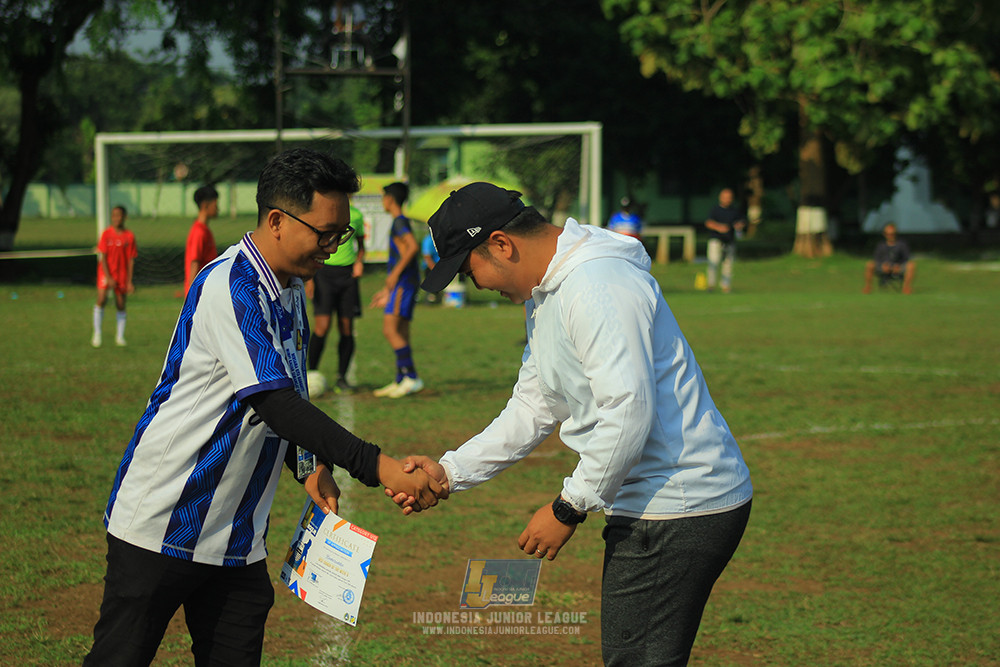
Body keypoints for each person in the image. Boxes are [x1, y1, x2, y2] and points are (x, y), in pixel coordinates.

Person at [84, 149, 444, 667]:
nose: (334, 246)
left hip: (238, 537)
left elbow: (288, 393)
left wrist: (308, 465)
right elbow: (273, 402)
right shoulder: (232, 285)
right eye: (325, 233)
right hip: (163, 523)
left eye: (340, 235)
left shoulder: (292, 289)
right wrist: (379, 466)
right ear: (277, 220)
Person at [388, 182, 753, 666]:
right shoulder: (547, 292)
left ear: (501, 244)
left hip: (679, 504)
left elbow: (629, 408)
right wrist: (450, 472)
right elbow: (534, 403)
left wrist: (568, 507)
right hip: (652, 502)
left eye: (467, 268)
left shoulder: (597, 285)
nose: (473, 285)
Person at [369, 182, 424, 398]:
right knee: (400, 331)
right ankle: (401, 379)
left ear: (390, 199)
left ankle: (411, 377)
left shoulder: (400, 222)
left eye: (383, 197)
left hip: (404, 283)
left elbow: (411, 247)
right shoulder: (400, 222)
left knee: (390, 330)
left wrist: (394, 275)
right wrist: (387, 288)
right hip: (403, 283)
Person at [306, 202, 366, 392]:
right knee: (322, 326)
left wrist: (359, 262)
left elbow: (361, 244)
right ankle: (311, 373)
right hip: (324, 274)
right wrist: (309, 279)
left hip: (348, 276)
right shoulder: (324, 212)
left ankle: (342, 377)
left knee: (347, 328)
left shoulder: (356, 215)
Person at [92, 205, 137, 348]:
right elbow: (102, 257)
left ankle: (120, 336)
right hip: (106, 273)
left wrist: (129, 281)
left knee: (120, 304)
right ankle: (97, 333)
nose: (116, 218)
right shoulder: (106, 234)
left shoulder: (129, 236)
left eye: (119, 215)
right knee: (101, 299)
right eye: (114, 215)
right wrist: (108, 276)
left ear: (124, 217)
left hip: (121, 274)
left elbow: (131, 259)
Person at [704, 188, 747, 293]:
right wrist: (719, 227)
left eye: (729, 197)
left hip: (729, 241)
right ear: (720, 198)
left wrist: (739, 225)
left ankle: (726, 286)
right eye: (725, 197)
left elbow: (741, 222)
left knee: (728, 264)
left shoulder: (735, 211)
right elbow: (708, 223)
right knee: (713, 262)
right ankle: (711, 285)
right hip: (716, 240)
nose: (727, 199)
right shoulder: (715, 210)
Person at [184, 184, 219, 296]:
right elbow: (195, 261)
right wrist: (191, 293)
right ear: (205, 205)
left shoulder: (205, 230)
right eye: (215, 204)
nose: (218, 209)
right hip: (199, 292)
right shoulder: (199, 232)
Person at [863, 222, 915, 294]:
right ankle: (868, 287)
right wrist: (882, 265)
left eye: (892, 234)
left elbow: (906, 258)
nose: (890, 236)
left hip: (897, 267)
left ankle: (906, 287)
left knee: (911, 265)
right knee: (870, 264)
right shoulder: (881, 246)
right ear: (885, 234)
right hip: (883, 267)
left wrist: (898, 266)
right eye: (888, 234)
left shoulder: (902, 245)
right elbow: (876, 259)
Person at [420, 225, 441, 303]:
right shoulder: (428, 240)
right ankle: (431, 297)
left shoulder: (442, 239)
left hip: (440, 265)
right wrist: (436, 270)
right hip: (430, 267)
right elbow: (427, 258)